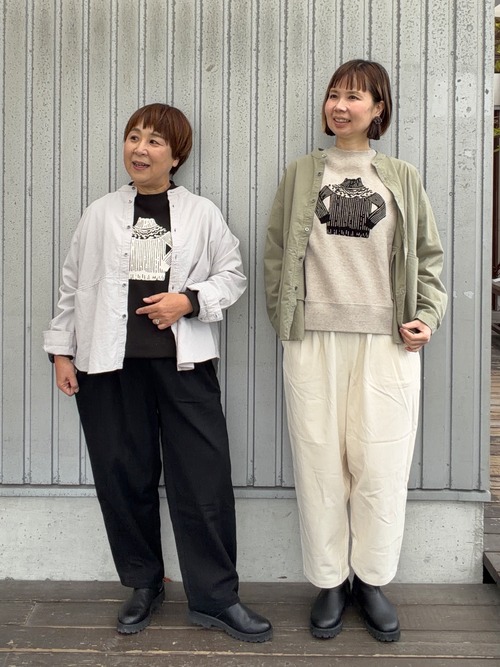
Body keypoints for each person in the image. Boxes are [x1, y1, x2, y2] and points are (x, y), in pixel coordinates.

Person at [43, 103, 272, 643]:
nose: (139, 149)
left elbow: (233, 275)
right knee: (124, 479)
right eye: (133, 137)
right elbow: (73, 284)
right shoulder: (100, 213)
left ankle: (216, 598)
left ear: (176, 155)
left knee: (203, 481)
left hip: (184, 367)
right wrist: (61, 351)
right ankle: (143, 584)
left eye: (154, 141)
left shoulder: (201, 213)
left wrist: (188, 301)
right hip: (108, 368)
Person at [264, 60, 447, 643]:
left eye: (354, 97)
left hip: (386, 342)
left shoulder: (402, 176)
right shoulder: (302, 173)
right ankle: (329, 581)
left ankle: (370, 580)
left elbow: (428, 256)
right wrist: (283, 314)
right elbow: (277, 251)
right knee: (319, 463)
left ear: (378, 109)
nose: (340, 106)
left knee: (381, 466)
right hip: (313, 338)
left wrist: (425, 316)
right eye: (333, 95)